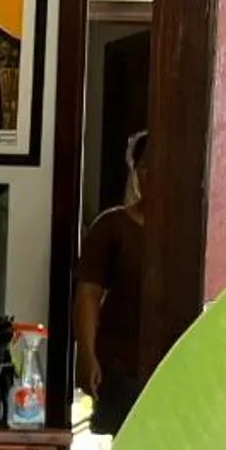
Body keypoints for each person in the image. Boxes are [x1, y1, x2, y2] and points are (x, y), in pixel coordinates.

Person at [73, 129, 149, 433]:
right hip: (122, 365)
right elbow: (88, 295)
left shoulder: (194, 230)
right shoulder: (112, 226)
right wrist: (87, 355)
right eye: (145, 167)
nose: (153, 176)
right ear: (136, 172)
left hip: (180, 365)